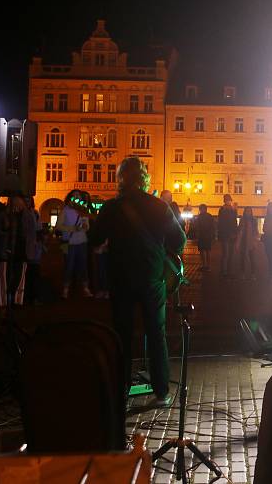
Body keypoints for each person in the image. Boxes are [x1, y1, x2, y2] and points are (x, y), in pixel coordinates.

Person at [89, 157, 186, 405]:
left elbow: (95, 239)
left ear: (120, 178)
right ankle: (161, 391)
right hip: (152, 278)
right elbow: (180, 241)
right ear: (144, 178)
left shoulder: (111, 207)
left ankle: (121, 390)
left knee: (122, 334)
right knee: (156, 333)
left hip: (121, 278)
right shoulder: (158, 206)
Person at [0, 194, 37, 310]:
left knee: (19, 277)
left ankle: (17, 301)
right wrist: (5, 230)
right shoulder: (4, 215)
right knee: (4, 277)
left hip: (21, 252)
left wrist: (31, 251)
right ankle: (3, 303)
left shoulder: (28, 216)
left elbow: (32, 234)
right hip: (6, 251)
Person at [57, 189, 92, 298]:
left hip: (82, 241)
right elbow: (58, 226)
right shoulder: (66, 210)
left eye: (78, 195)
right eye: (74, 195)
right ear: (70, 198)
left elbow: (87, 226)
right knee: (69, 266)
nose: (77, 197)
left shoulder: (83, 210)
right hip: (70, 242)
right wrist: (72, 228)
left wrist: (86, 227)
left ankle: (85, 288)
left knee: (83, 266)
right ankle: (66, 289)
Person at [236, 207, 261, 280]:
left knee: (252, 259)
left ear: (251, 212)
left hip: (251, 241)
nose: (248, 213)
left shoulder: (254, 220)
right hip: (243, 241)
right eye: (247, 211)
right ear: (245, 212)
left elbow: (256, 231)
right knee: (242, 259)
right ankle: (242, 273)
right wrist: (238, 242)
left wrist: (255, 241)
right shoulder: (242, 220)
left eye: (249, 211)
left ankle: (253, 274)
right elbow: (239, 231)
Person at [217, 195, 238, 276]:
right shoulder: (222, 209)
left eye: (229, 200)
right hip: (225, 235)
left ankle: (228, 270)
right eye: (227, 200)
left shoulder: (232, 210)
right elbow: (221, 223)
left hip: (230, 234)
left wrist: (235, 233)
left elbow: (234, 222)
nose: (228, 201)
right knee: (225, 253)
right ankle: (223, 270)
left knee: (230, 254)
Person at [193, 204, 215, 271]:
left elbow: (197, 226)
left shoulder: (200, 217)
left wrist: (197, 234)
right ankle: (207, 266)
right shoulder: (209, 216)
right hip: (207, 236)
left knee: (203, 251)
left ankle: (205, 265)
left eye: (201, 209)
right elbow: (213, 226)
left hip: (203, 236)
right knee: (207, 251)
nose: (201, 210)